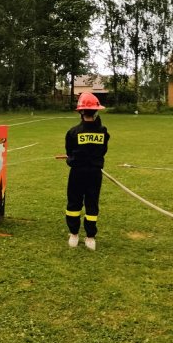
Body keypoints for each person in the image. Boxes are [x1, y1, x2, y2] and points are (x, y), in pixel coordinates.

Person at [65, 92, 110, 251]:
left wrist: (71, 160)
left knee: (74, 203)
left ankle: (74, 235)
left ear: (81, 111)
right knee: (92, 203)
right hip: (94, 174)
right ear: (96, 111)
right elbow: (103, 151)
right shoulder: (103, 131)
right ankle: (90, 237)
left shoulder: (73, 132)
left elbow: (69, 153)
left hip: (77, 173)